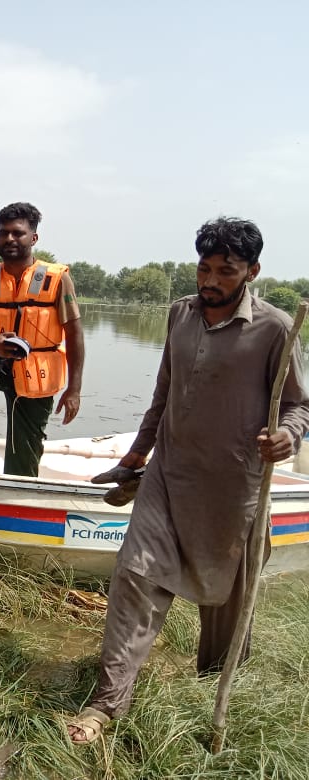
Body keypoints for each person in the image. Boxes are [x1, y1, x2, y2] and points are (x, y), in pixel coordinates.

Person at [67, 217, 309, 744]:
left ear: (252, 272)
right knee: (134, 578)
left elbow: (297, 405)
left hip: (234, 493)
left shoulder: (274, 328)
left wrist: (288, 436)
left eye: (226, 271)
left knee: (225, 604)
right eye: (205, 267)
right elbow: (163, 395)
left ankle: (215, 697)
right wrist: (133, 459)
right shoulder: (179, 314)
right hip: (167, 478)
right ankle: (107, 705)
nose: (212, 279)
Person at [0, 202, 85, 476]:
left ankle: (18, 493)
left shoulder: (56, 279)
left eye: (17, 233)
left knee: (22, 456)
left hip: (35, 373)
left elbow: (74, 334)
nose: (9, 239)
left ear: (34, 238)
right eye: (3, 233)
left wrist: (74, 390)